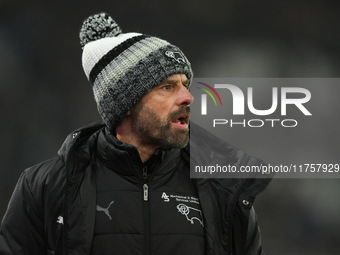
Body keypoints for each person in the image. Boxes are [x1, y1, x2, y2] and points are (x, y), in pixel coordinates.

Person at [0, 13, 272, 255]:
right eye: (167, 87)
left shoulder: (224, 190)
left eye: (185, 85)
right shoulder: (46, 187)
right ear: (126, 103)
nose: (188, 97)